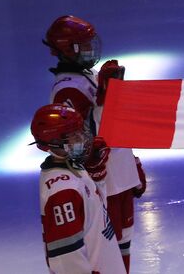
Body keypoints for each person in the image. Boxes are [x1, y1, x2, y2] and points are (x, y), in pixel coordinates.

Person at [43, 15, 147, 273]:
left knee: (123, 245)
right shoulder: (66, 90)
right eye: (85, 45)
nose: (92, 50)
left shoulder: (90, 76)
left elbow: (117, 125)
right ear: (69, 49)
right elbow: (85, 137)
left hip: (118, 176)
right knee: (108, 250)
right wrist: (105, 98)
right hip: (104, 181)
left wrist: (131, 164)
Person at [31, 103, 127, 274]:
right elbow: (67, 258)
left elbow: (95, 214)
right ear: (55, 143)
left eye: (80, 132)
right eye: (74, 136)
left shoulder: (73, 169)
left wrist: (98, 176)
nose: (82, 139)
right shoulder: (62, 193)